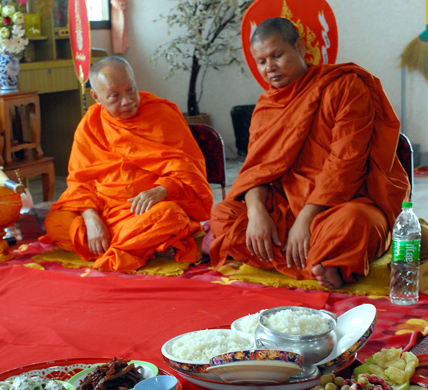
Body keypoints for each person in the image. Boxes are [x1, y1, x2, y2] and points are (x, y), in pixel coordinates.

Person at [209, 18, 410, 289]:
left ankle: (307, 257)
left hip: (341, 204)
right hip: (285, 208)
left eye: (277, 55)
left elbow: (346, 163)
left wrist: (306, 219)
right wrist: (257, 213)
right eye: (261, 61)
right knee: (223, 215)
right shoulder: (266, 107)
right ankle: (323, 264)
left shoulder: (345, 86)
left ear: (301, 48)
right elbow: (256, 171)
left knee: (356, 223)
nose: (269, 68)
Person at [41, 57, 213, 272]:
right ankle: (143, 244)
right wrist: (91, 218)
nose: (127, 101)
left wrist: (161, 190)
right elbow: (80, 181)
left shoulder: (161, 114)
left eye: (131, 89)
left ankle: (127, 245)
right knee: (55, 223)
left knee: (170, 216)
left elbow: (189, 169)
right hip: (104, 210)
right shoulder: (90, 125)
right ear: (96, 97)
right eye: (115, 95)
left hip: (147, 211)